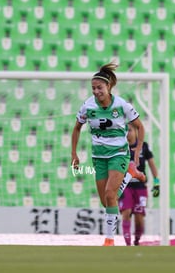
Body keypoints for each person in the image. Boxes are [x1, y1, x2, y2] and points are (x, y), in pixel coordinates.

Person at [71, 62, 146, 246]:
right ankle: (130, 174)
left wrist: (137, 152)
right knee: (107, 202)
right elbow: (77, 128)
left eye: (100, 87)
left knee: (110, 193)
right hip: (99, 156)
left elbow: (140, 126)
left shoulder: (121, 105)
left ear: (109, 86)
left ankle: (109, 240)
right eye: (93, 88)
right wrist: (74, 153)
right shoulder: (87, 106)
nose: (96, 91)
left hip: (119, 154)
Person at [119, 123, 160, 246]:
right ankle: (127, 244)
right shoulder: (120, 147)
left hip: (141, 188)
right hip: (125, 187)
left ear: (136, 132)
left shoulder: (144, 146)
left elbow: (152, 165)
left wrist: (156, 183)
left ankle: (137, 241)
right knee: (126, 212)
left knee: (139, 218)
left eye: (130, 130)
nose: (127, 133)